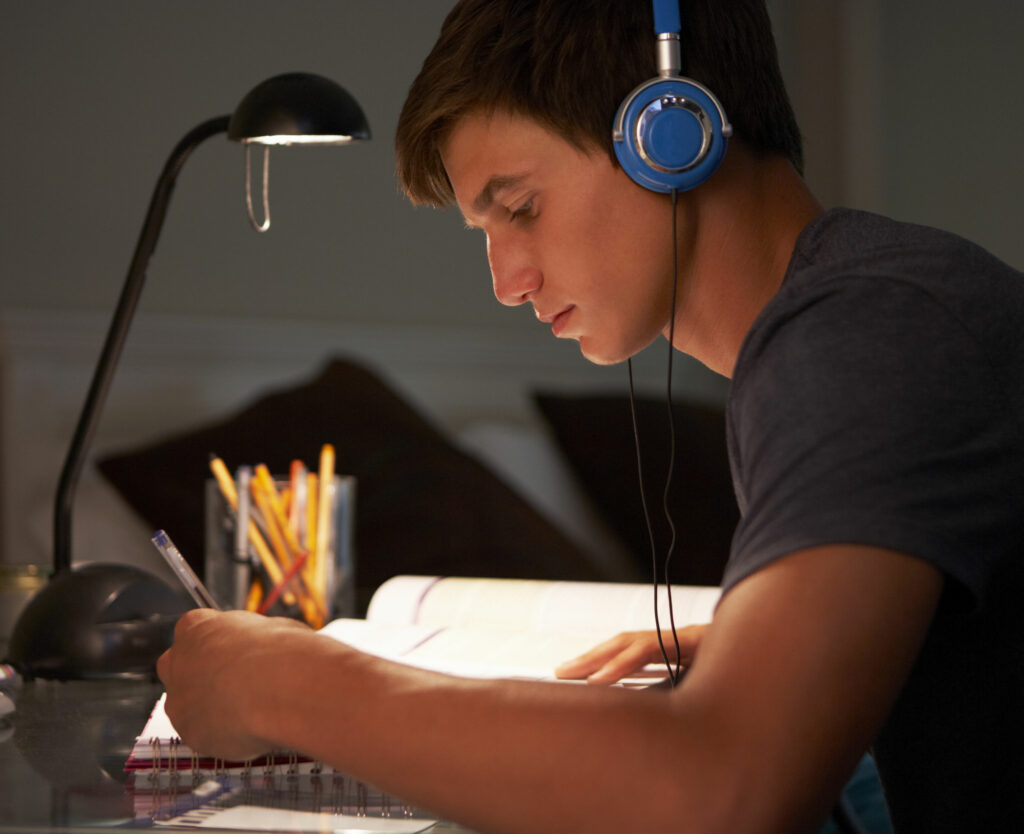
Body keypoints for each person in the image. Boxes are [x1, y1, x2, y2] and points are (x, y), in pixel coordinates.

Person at [157, 1, 1024, 831]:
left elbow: (718, 795)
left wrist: (291, 686)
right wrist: (775, 638)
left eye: (522, 208)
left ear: (670, 134)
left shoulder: (866, 335)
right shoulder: (868, 313)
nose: (507, 283)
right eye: (485, 233)